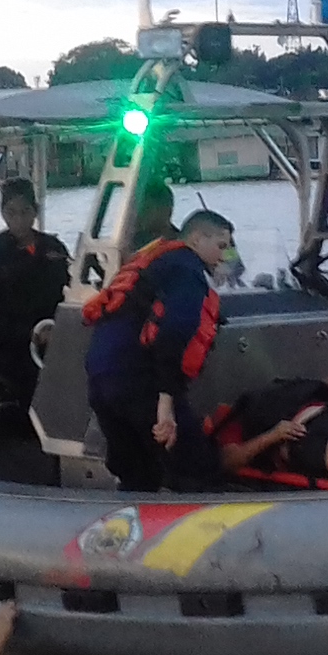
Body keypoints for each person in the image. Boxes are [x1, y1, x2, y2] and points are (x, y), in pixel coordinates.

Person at [82, 207, 234, 491]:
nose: (224, 255)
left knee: (136, 473)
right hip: (138, 381)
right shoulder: (188, 271)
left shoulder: (154, 260)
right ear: (197, 239)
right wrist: (167, 406)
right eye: (220, 246)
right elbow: (175, 331)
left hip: (100, 379)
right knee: (197, 465)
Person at [0, 177, 70, 449]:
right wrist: (30, 334)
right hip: (8, 343)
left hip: (56, 335)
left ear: (35, 211)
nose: (20, 219)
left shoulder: (53, 249)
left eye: (26, 212)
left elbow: (69, 292)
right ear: (2, 213)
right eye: (12, 212)